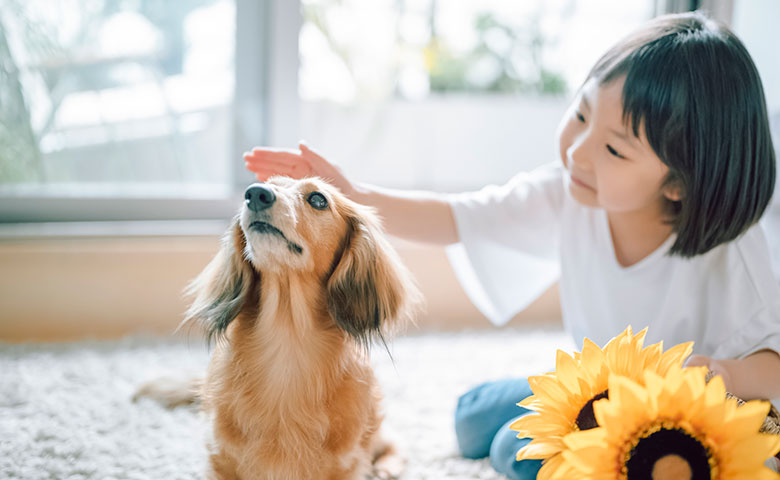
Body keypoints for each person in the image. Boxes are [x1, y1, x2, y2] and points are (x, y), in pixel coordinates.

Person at [243, 12, 780, 479]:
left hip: (678, 424)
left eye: (615, 149)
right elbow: (463, 217)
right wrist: (354, 194)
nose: (579, 153)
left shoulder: (739, 256)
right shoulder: (570, 192)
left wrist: (727, 374)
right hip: (600, 390)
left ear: (679, 182)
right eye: (582, 114)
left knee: (512, 451)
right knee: (470, 417)